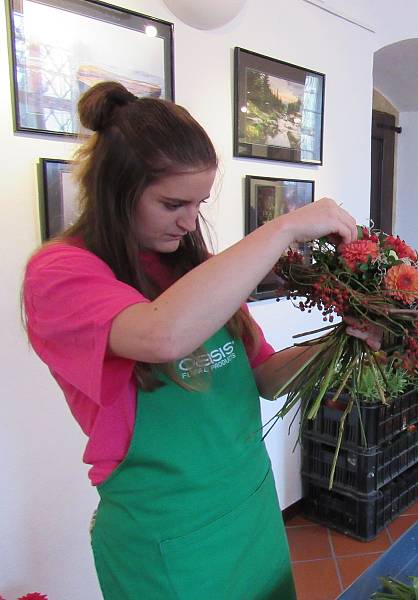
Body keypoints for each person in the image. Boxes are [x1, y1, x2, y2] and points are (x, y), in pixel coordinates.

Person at [22, 82, 378, 599]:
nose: (190, 222)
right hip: (169, 537)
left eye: (198, 204)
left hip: (251, 511)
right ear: (117, 188)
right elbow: (161, 333)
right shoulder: (60, 273)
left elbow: (267, 376)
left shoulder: (196, 272)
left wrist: (338, 343)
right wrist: (281, 230)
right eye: (172, 203)